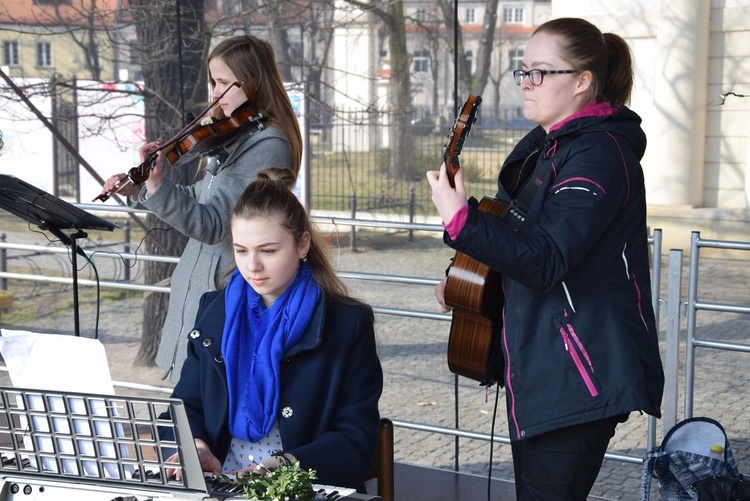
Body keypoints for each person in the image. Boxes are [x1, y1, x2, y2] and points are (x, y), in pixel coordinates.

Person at [426, 17, 664, 500]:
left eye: (541, 71)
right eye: (524, 69)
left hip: (579, 372)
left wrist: (463, 223)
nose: (526, 83)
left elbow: (549, 258)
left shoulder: (599, 153)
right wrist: (469, 277)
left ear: (581, 81)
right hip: (544, 366)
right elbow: (521, 237)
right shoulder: (550, 148)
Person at [163, 167, 383, 491]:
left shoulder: (347, 323)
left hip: (301, 488)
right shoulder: (213, 310)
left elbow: (355, 441)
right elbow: (184, 405)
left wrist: (281, 468)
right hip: (220, 484)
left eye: (268, 251)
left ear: (303, 244)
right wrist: (195, 445)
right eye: (241, 250)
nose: (252, 266)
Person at [100, 35, 303, 383]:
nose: (214, 95)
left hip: (226, 299)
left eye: (224, 83)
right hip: (202, 297)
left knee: (203, 418)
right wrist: (141, 187)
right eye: (213, 82)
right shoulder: (236, 136)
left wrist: (159, 189)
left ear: (253, 80)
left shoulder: (267, 144)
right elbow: (200, 194)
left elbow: (213, 224)